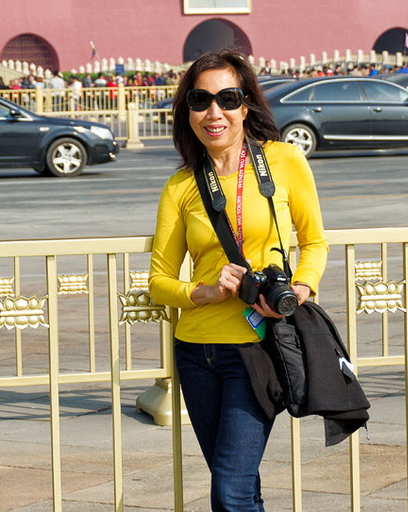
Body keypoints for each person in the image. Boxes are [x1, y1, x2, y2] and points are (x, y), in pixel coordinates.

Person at [148, 50, 328, 511]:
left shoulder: (284, 160)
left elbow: (314, 242)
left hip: (255, 347)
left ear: (247, 105)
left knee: (229, 491)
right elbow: (159, 281)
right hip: (195, 351)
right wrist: (203, 292)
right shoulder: (181, 186)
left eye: (227, 98)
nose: (214, 112)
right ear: (186, 111)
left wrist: (299, 291)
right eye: (200, 99)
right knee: (239, 487)